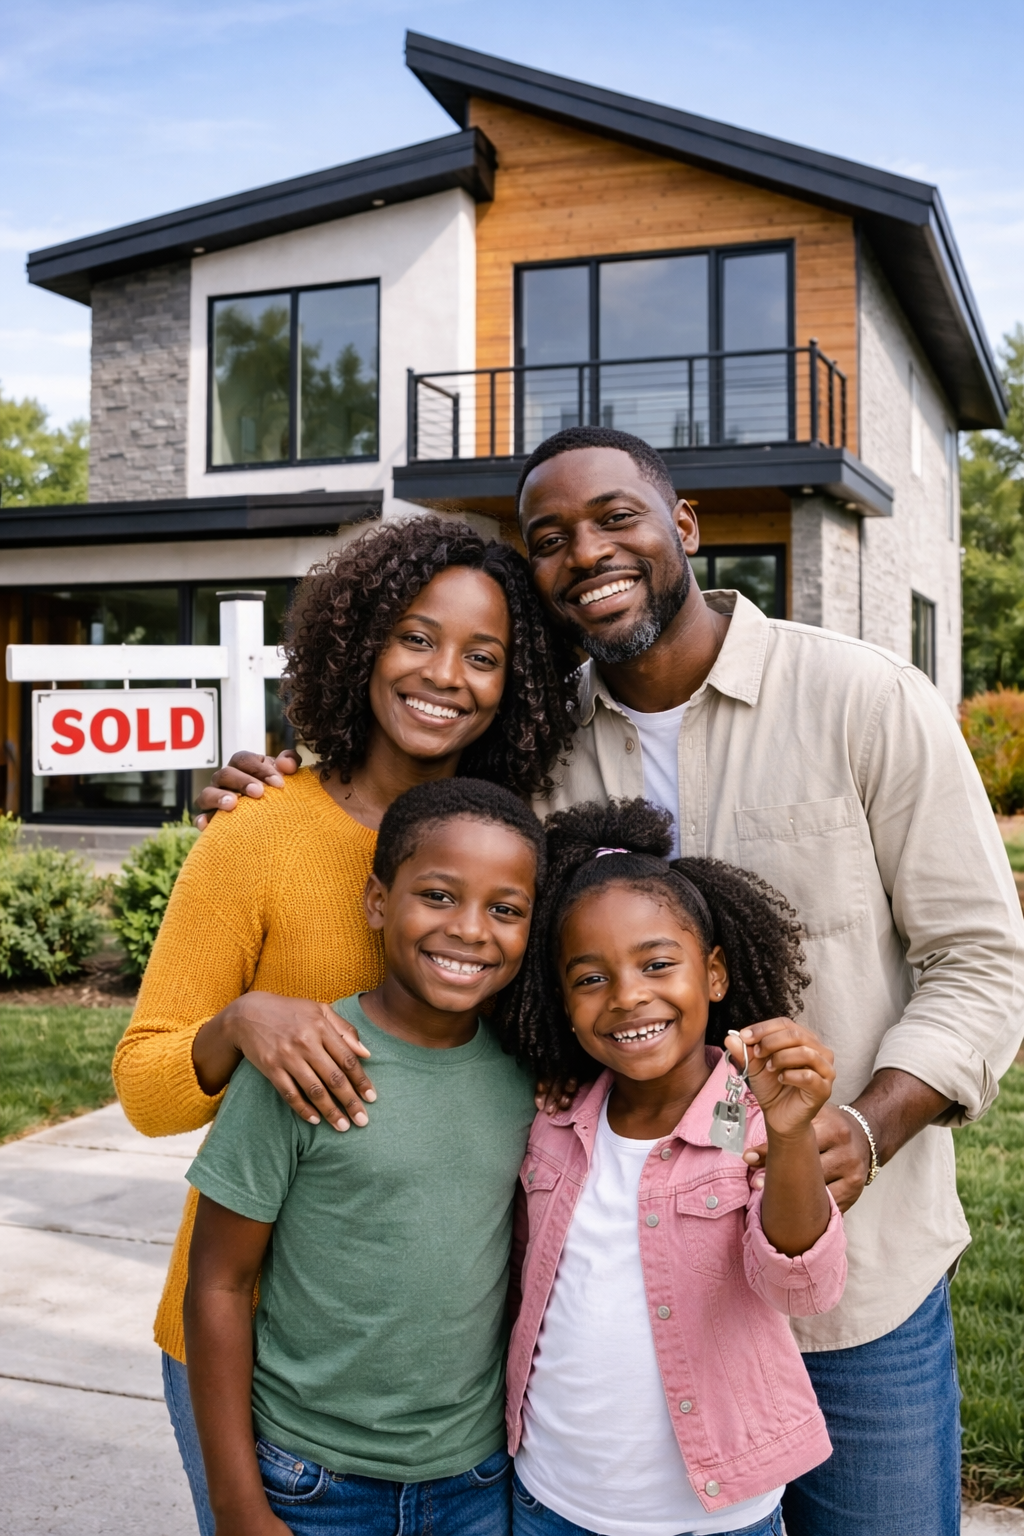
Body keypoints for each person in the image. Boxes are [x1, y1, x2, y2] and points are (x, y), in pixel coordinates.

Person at [209, 426, 1024, 1536]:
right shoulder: (534, 754)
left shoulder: (862, 697)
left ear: (683, 525)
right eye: (548, 538)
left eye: (615, 517)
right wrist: (285, 788)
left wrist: (867, 1129)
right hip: (624, 1319)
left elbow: (981, 958)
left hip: (850, 1290)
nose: (584, 551)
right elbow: (426, 849)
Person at [112, 516, 577, 1535]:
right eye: (415, 636)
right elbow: (145, 1087)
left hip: (437, 1401)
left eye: (483, 654)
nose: (444, 673)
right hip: (254, 1370)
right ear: (360, 642)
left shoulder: (513, 849)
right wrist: (242, 1020)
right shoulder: (260, 830)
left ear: (515, 681)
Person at [184, 778, 545, 1536]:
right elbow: (218, 1282)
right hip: (310, 1483)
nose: (471, 930)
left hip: (475, 1480)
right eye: (438, 896)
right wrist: (238, 1505)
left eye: (504, 909)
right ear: (378, 901)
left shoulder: (528, 1081)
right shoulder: (304, 1061)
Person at [497, 797, 847, 1536]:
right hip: (552, 1500)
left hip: (717, 1516)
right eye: (590, 978)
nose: (628, 996)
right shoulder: (553, 1120)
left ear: (714, 975)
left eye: (658, 964)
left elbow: (802, 1282)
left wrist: (789, 1136)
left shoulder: (757, 1116)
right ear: (561, 1001)